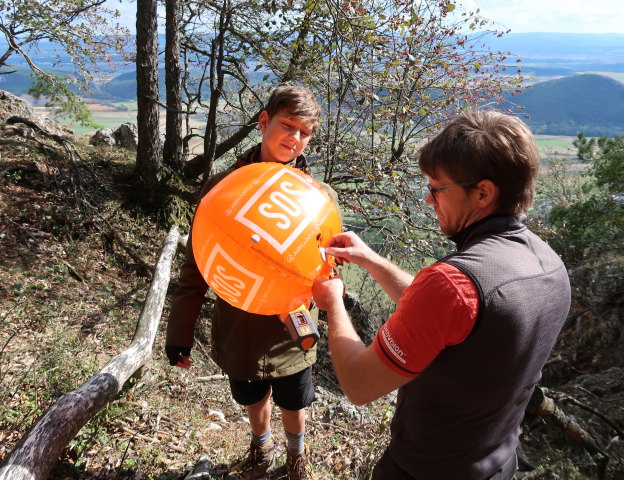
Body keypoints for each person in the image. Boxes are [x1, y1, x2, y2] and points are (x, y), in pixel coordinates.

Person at [312, 110, 571, 480]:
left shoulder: (453, 284)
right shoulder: (549, 265)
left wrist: (332, 301)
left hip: (425, 470)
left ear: (483, 192)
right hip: (498, 463)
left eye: (436, 188)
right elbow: (452, 322)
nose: (430, 201)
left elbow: (359, 383)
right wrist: (371, 259)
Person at [166, 85, 333, 480]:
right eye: (288, 126)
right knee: (250, 394)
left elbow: (328, 268)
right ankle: (262, 452)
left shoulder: (319, 199)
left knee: (295, 400)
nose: (295, 139)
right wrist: (179, 333)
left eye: (305, 133)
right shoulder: (224, 189)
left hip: (291, 330)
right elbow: (196, 268)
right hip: (237, 328)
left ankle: (297, 459)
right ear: (264, 122)